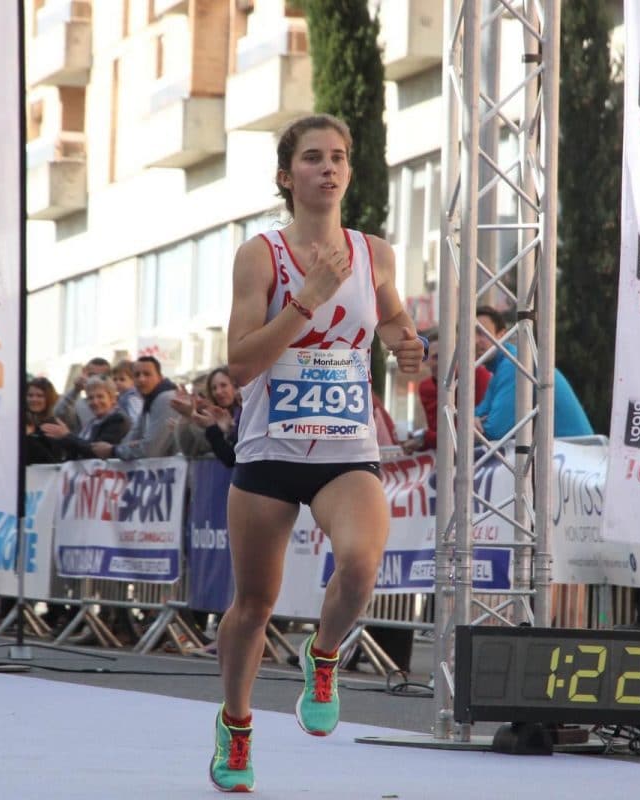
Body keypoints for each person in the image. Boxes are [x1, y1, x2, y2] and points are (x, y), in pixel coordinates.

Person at [208, 113, 425, 793]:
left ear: (349, 173)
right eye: (312, 158)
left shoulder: (375, 253)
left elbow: (390, 316)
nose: (327, 168)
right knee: (252, 605)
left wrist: (406, 343)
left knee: (360, 566)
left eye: (338, 157)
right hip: (269, 450)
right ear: (286, 176)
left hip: (345, 449)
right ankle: (236, 725)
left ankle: (324, 654)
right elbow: (240, 365)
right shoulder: (260, 255)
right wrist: (307, 298)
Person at [474, 305, 593, 440]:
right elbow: (476, 417)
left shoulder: (514, 365)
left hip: (573, 454)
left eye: (481, 332)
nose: (474, 341)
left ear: (501, 335)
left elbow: (493, 432)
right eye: (469, 334)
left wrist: (476, 423)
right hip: (564, 453)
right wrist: (474, 421)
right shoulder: (502, 368)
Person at [401, 330, 492, 453]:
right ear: (426, 360)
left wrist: (424, 438)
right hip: (448, 458)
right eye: (434, 357)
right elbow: (440, 434)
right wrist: (421, 441)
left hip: (479, 453)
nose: (440, 362)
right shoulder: (426, 388)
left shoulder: (478, 375)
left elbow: (473, 431)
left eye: (445, 356)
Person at [93, 355, 177, 461]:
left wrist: (113, 450)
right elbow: (134, 436)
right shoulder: (150, 399)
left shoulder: (165, 398)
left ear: (160, 377)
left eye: (147, 374)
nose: (141, 379)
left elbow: (150, 449)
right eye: (137, 375)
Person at [40, 376, 130, 460]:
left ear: (113, 399)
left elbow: (97, 450)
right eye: (90, 398)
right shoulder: (92, 423)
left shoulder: (118, 419)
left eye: (100, 397)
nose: (95, 402)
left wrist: (66, 436)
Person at [172, 366, 241, 468]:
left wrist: (191, 416)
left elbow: (212, 448)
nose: (218, 392)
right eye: (214, 388)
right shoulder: (213, 417)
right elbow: (189, 449)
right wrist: (185, 417)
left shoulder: (241, 414)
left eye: (223, 385)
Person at [53, 356, 111, 433]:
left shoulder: (119, 403)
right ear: (84, 374)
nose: (95, 380)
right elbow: (59, 413)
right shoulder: (79, 404)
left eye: (100, 377)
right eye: (91, 375)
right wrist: (75, 390)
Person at [23, 376, 65, 466]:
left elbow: (51, 461)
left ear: (49, 399)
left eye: (40, 396)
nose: (34, 399)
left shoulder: (54, 425)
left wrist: (29, 437)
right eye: (30, 395)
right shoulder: (19, 422)